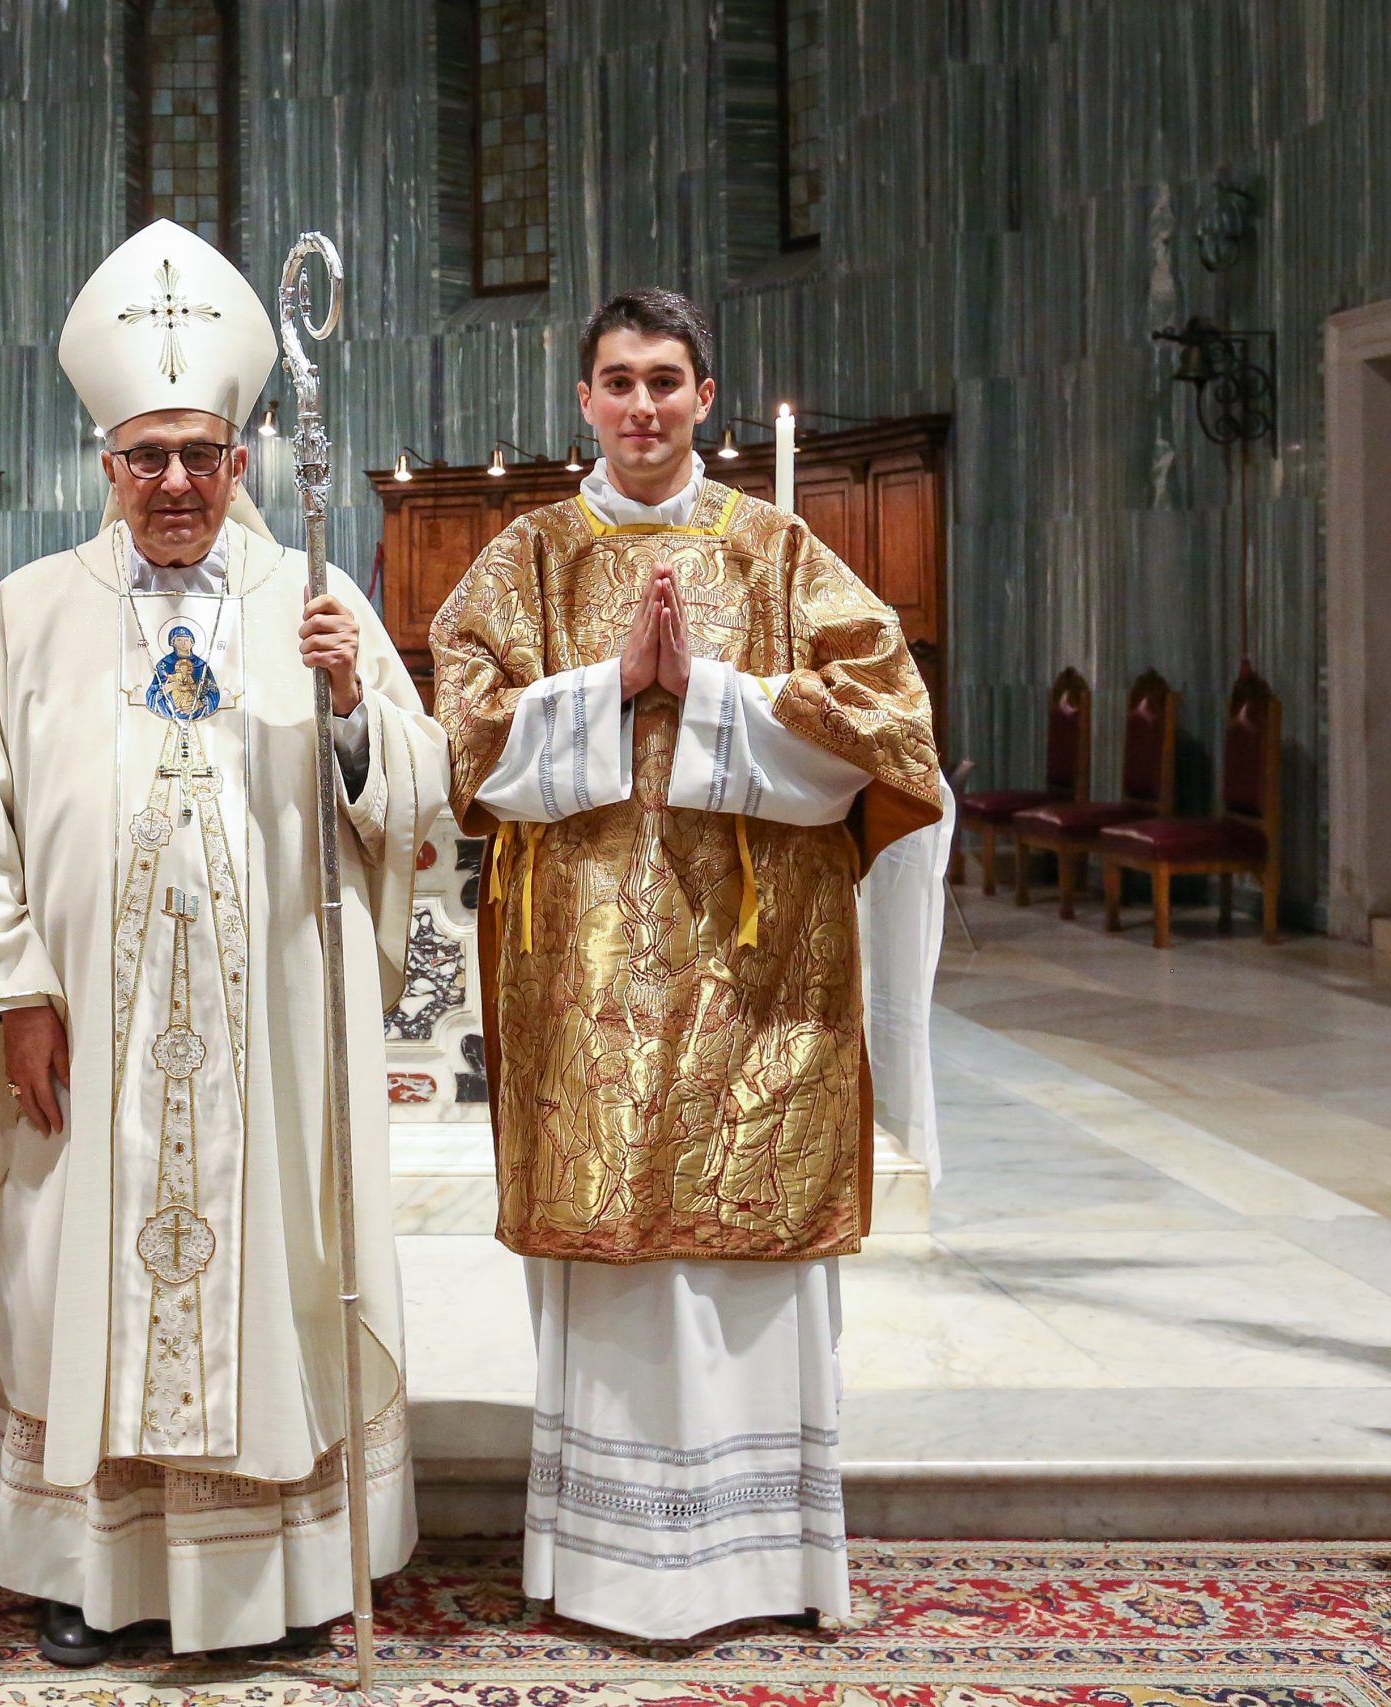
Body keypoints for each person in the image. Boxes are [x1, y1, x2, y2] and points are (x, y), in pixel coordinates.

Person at [0, 219, 449, 1664]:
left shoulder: (317, 599)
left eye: (199, 457)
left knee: (277, 1269)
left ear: (243, 460)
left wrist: (352, 711)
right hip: (84, 1031)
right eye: (145, 457)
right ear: (104, 461)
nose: (173, 484)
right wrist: (15, 992)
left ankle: (273, 1575)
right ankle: (86, 1570)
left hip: (272, 1033)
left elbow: (414, 790)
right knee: (67, 1277)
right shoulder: (32, 610)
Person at [429, 289, 944, 1639]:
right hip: (585, 981)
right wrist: (608, 688)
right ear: (585, 401)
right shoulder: (527, 556)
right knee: (617, 1263)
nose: (643, 404)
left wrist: (710, 691)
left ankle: (758, 1563)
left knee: (741, 1257)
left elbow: (896, 731)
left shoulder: (782, 550)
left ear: (706, 396)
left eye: (666, 378)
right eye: (618, 380)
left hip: (757, 980)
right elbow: (466, 743)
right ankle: (609, 1563)